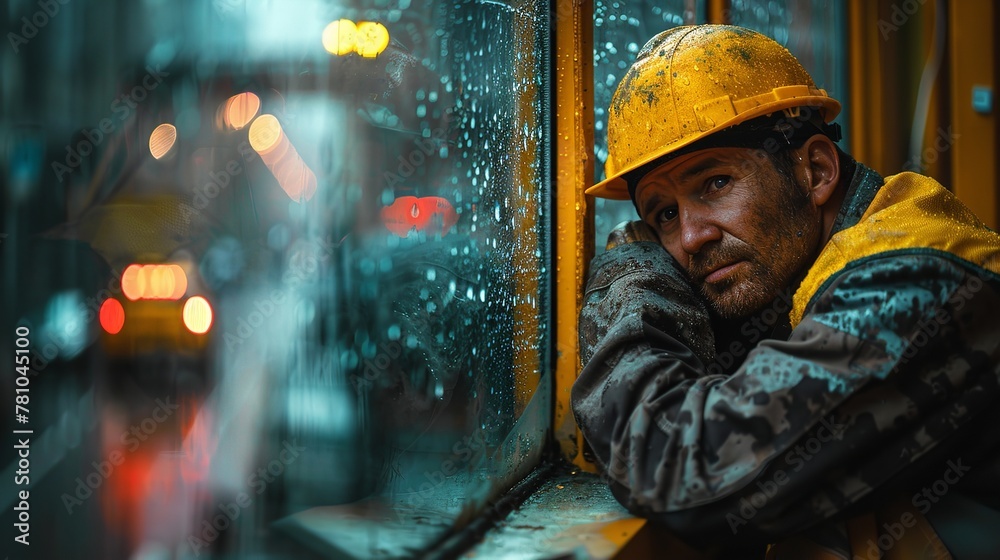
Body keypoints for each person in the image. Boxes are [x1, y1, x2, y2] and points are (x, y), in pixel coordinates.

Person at [571, 24, 1000, 559]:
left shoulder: (910, 285)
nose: (691, 236)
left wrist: (632, 278)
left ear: (816, 170)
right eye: (664, 213)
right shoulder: (808, 270)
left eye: (716, 184)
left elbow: (678, 470)